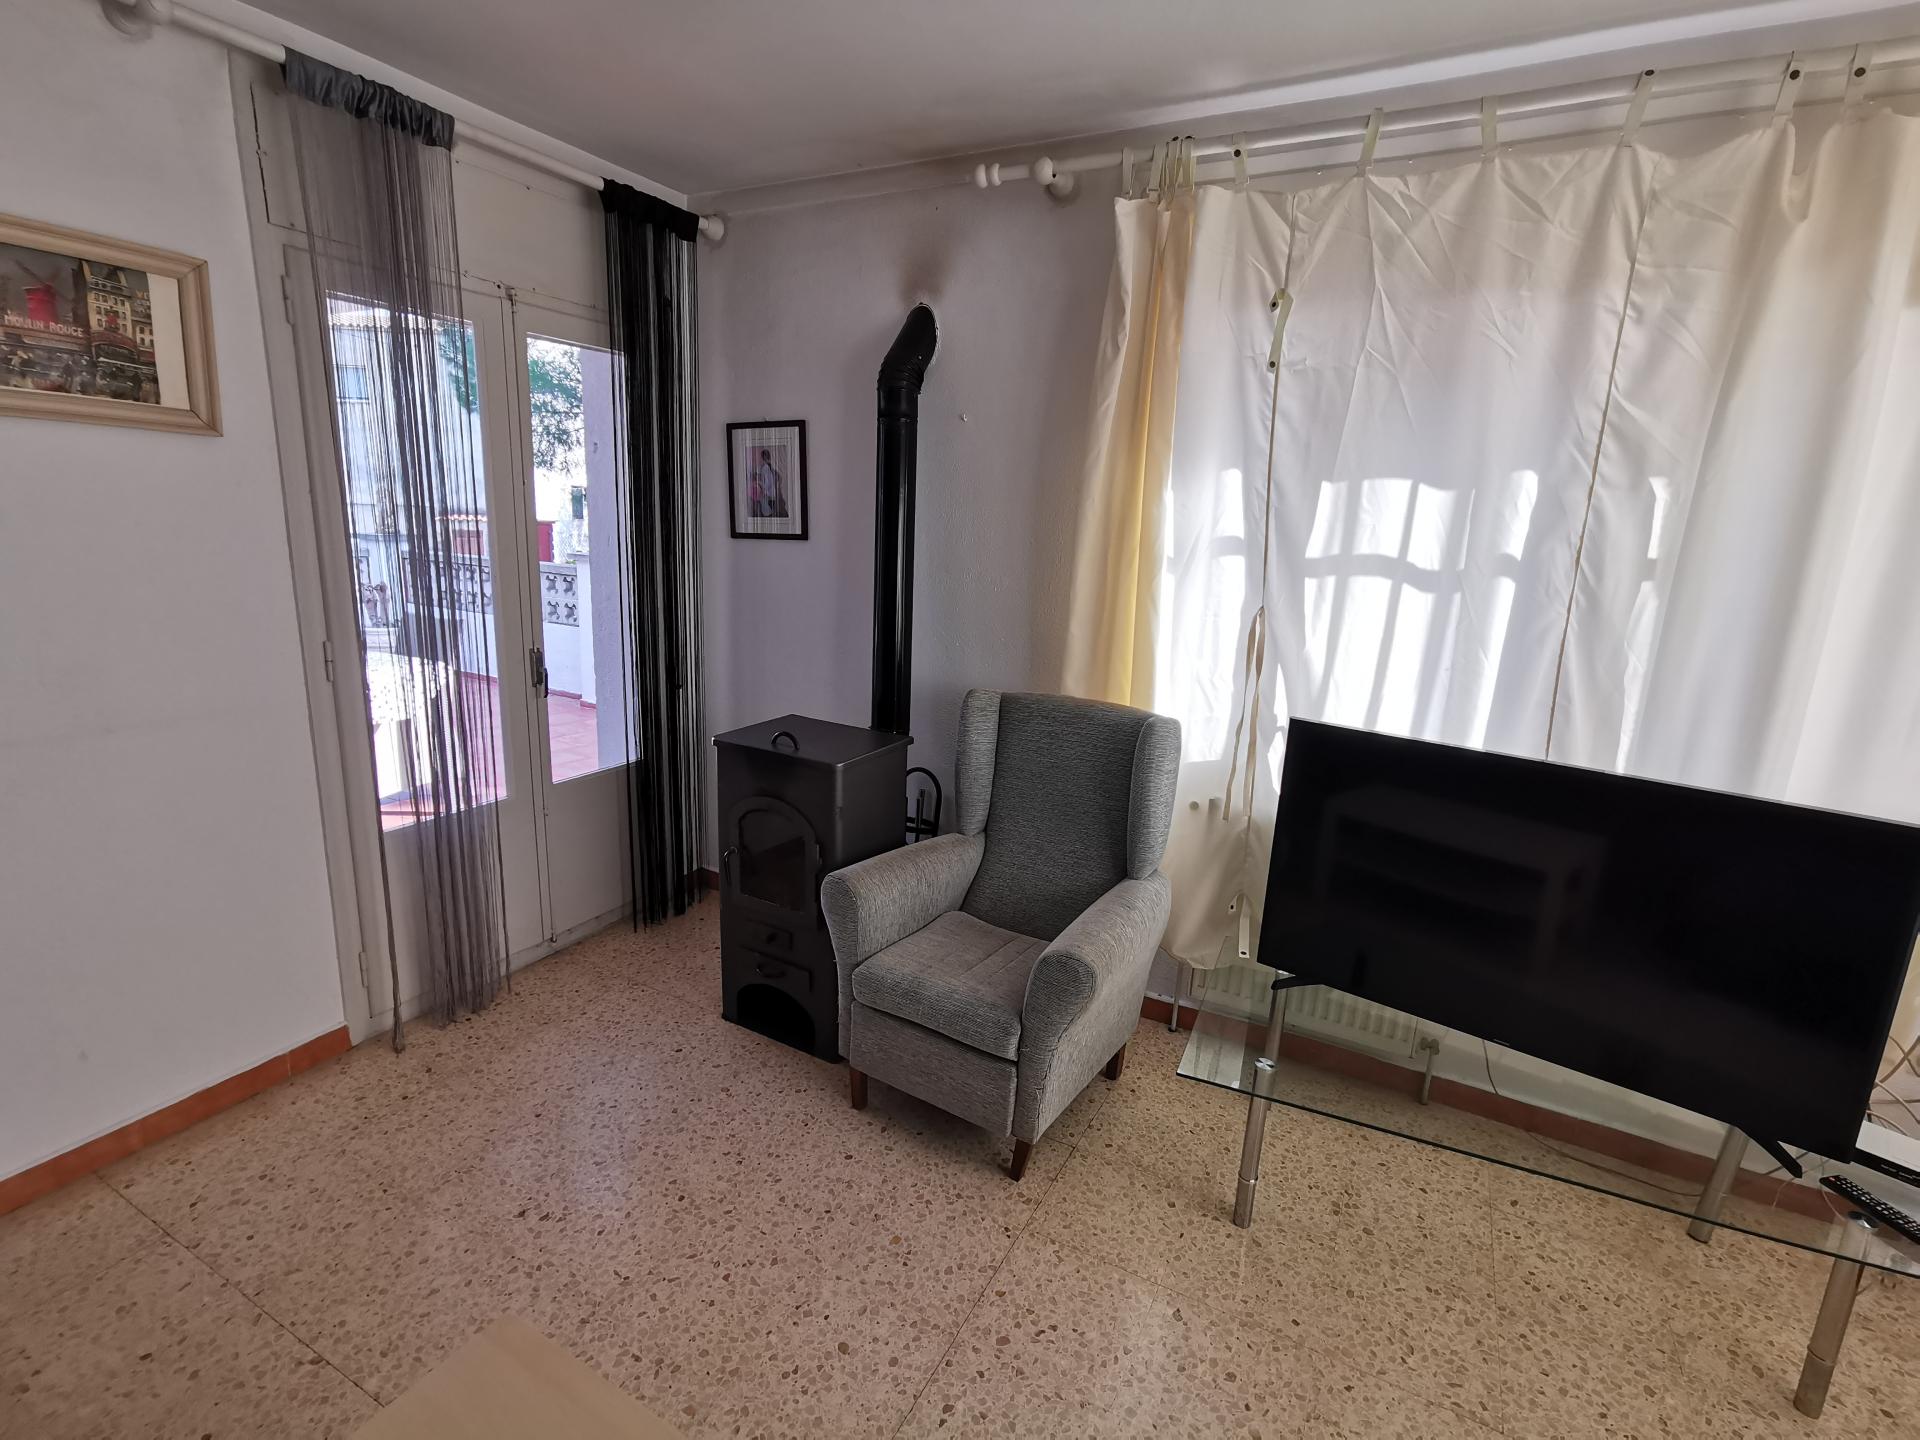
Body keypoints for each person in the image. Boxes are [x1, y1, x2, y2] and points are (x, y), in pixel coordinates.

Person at [749, 447, 786, 518]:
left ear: (763, 458)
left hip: (769, 495)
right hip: (771, 494)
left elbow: (767, 482)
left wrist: (761, 486)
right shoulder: (767, 468)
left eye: (762, 458)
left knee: (765, 509)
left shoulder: (765, 468)